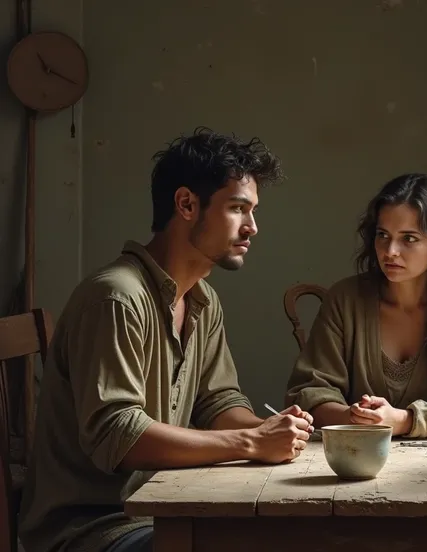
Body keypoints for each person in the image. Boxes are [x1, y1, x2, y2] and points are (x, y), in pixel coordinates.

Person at [19, 127, 314, 552]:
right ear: (186, 204)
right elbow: (118, 436)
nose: (252, 227)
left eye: (253, 211)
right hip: (94, 526)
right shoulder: (115, 299)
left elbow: (218, 403)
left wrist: (274, 429)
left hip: (165, 508)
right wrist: (251, 442)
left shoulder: (202, 298)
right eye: (237, 208)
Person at [285, 173, 427, 438]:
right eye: (383, 235)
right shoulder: (345, 299)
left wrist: (405, 420)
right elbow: (309, 391)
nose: (390, 251)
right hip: (354, 455)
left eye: (409, 238)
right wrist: (358, 418)